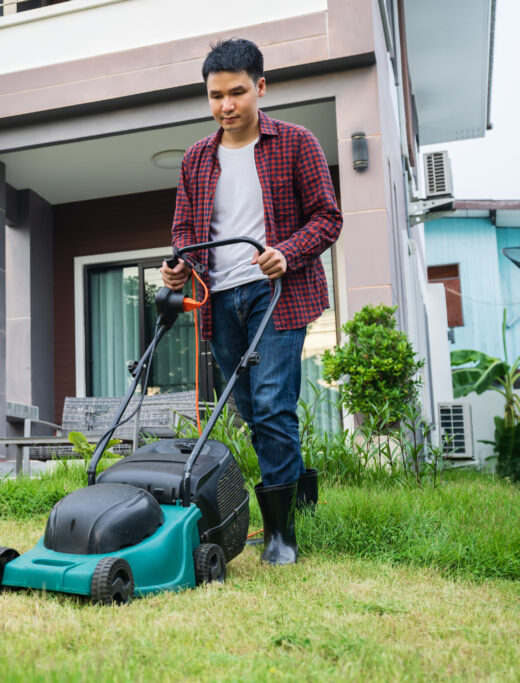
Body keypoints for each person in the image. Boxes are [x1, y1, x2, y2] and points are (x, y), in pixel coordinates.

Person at [161, 38, 342, 565]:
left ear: (260, 88)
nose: (226, 106)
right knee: (247, 407)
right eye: (216, 95)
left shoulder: (296, 143)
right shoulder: (196, 159)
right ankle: (298, 504)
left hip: (278, 294)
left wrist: (287, 253)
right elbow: (185, 232)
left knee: (272, 405)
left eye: (237, 92)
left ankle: (281, 537)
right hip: (220, 300)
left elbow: (327, 218)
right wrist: (180, 268)